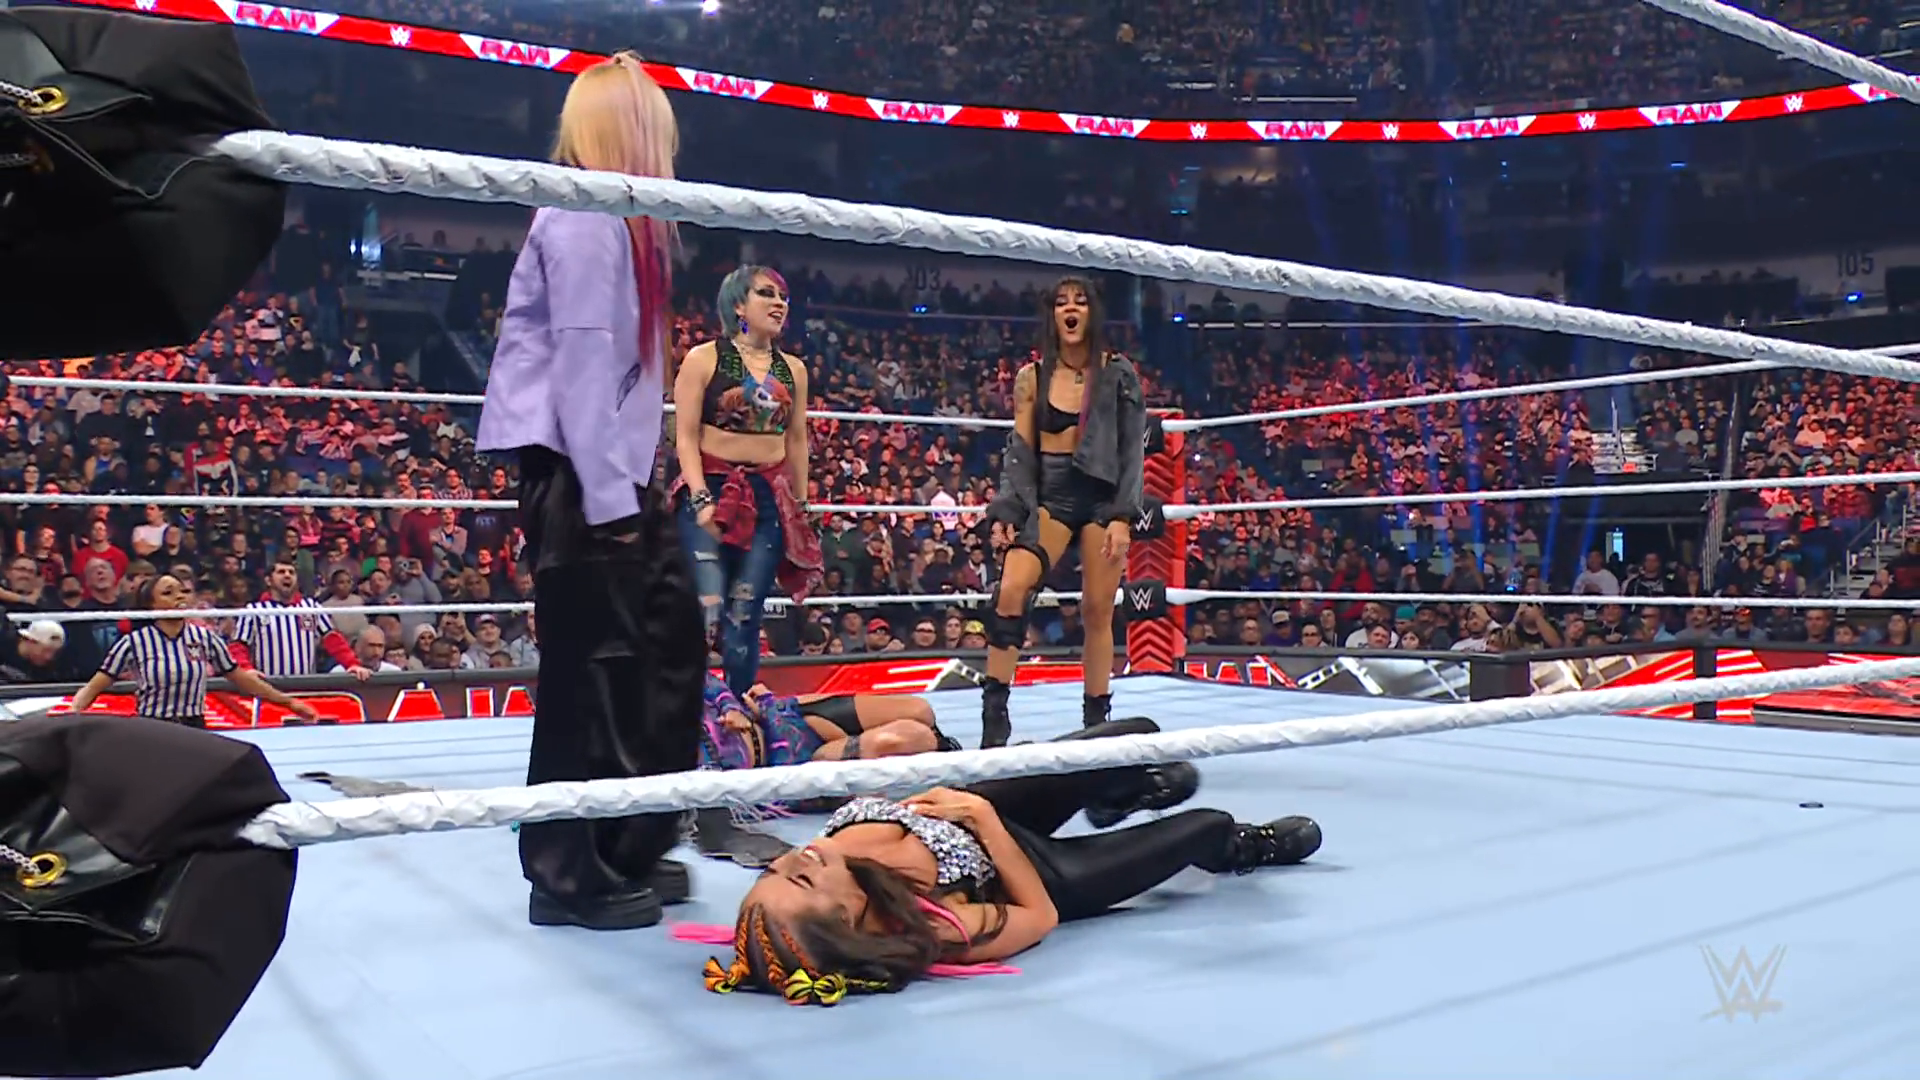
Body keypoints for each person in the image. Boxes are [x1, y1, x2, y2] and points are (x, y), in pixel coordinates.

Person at [475, 52, 708, 932]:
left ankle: (629, 842)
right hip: (579, 474)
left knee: (665, 648)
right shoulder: (581, 213)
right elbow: (579, 366)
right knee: (592, 671)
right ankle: (568, 873)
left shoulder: (619, 223)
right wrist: (613, 502)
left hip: (609, 470)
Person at [695, 718, 1316, 1004]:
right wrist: (985, 823)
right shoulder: (932, 930)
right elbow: (1038, 916)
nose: (795, 857)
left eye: (776, 869)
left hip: (972, 811)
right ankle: (1241, 847)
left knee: (1134, 735)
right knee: (1205, 824)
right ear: (849, 918)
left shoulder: (826, 863)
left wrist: (947, 803)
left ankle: (1114, 793)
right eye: (802, 877)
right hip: (1038, 872)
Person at [981, 275, 1145, 747]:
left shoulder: (1118, 374)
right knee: (1011, 588)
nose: (1070, 309)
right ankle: (995, 713)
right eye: (1061, 302)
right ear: (1052, 314)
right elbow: (1019, 450)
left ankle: (1096, 719)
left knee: (1097, 609)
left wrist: (1122, 516)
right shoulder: (1032, 377)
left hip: (1100, 498)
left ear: (1092, 312)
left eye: (1080, 302)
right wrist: (1009, 511)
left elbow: (1132, 451)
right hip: (1050, 498)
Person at [671, 265, 823, 696]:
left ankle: (739, 706)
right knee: (706, 606)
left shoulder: (793, 369)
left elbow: (797, 439)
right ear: (738, 304)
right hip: (713, 487)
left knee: (745, 611)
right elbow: (685, 437)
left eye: (783, 297)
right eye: (766, 294)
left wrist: (800, 503)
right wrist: (700, 497)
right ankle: (690, 710)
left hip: (768, 497)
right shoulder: (705, 358)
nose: (779, 303)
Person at [66, 575, 320, 728]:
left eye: (182, 591)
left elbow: (241, 678)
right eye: (168, 593)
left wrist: (290, 703)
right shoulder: (135, 642)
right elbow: (95, 685)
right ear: (152, 606)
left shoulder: (204, 638)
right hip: (154, 726)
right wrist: (72, 713)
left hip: (195, 725)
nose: (180, 597)